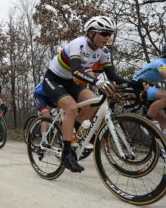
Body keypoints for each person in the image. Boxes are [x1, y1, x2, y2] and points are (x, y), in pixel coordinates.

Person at [42, 16, 132, 173]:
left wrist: (136, 84)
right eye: (104, 33)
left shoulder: (103, 51)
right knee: (71, 108)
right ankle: (67, 152)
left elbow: (113, 77)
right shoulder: (78, 44)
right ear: (91, 33)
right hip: (54, 79)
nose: (107, 37)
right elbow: (76, 70)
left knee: (93, 102)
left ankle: (73, 132)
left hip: (71, 82)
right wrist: (97, 82)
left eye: (109, 34)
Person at [131, 45, 166, 135]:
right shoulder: (161, 63)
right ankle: (146, 122)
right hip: (137, 87)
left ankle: (162, 143)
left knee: (163, 119)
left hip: (146, 87)